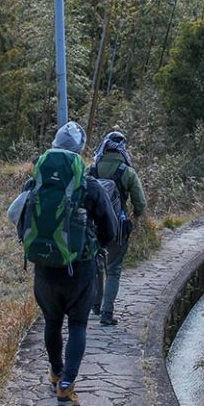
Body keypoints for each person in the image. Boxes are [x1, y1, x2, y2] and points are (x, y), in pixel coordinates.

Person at [15, 121, 117, 406]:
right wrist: (94, 244)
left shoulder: (35, 182)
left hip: (44, 268)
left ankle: (55, 371)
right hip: (80, 268)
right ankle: (67, 386)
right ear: (80, 151)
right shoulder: (89, 184)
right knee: (78, 324)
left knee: (52, 321)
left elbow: (20, 224)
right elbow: (110, 229)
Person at [89, 130, 147, 326]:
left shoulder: (93, 168)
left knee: (96, 265)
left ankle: (95, 305)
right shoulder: (127, 172)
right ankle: (107, 313)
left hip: (94, 226)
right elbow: (140, 202)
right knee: (113, 269)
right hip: (118, 227)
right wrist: (134, 217)